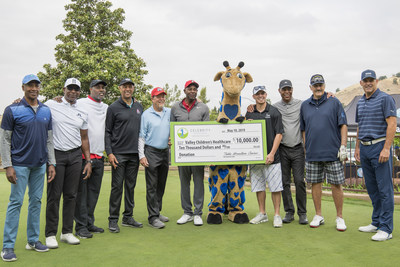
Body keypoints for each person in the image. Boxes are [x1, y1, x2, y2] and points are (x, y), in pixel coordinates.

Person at [0, 74, 56, 262]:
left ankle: (32, 240)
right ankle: (7, 246)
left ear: (40, 88)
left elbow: (49, 140)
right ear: (23, 87)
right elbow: (5, 139)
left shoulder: (46, 110)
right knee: (16, 203)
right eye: (30, 85)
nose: (33, 88)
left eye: (36, 85)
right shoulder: (12, 110)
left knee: (36, 202)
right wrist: (7, 165)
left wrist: (51, 163)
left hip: (39, 165)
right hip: (19, 165)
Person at [44, 78, 92, 248]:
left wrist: (88, 160)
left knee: (71, 195)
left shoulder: (83, 111)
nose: (73, 91)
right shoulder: (51, 104)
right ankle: (50, 234)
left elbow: (84, 137)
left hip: (75, 156)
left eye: (76, 89)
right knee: (54, 195)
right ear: (64, 89)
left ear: (79, 91)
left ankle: (66, 232)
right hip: (56, 155)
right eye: (70, 88)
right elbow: (34, 105)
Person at [300, 74, 348, 231]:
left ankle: (339, 217)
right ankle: (318, 215)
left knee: (336, 185)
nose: (318, 87)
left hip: (333, 152)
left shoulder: (334, 102)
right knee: (315, 184)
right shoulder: (305, 105)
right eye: (315, 85)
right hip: (313, 153)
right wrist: (306, 147)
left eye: (320, 84)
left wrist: (343, 146)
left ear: (324, 85)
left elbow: (343, 125)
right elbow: (304, 129)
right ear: (310, 87)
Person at [355, 69, 396, 241]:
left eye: (371, 80)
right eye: (366, 80)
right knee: (372, 188)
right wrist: (357, 147)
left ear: (377, 81)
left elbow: (392, 123)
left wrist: (386, 148)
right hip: (364, 148)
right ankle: (377, 221)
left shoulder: (385, 99)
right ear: (361, 83)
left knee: (384, 189)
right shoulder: (360, 102)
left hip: (379, 146)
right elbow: (360, 126)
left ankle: (386, 228)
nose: (369, 83)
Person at [105, 78, 143, 233]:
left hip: (134, 154)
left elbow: (143, 131)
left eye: (130, 86)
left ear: (133, 88)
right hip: (119, 154)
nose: (128, 89)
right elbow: (107, 131)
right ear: (120, 88)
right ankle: (113, 220)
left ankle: (128, 217)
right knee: (117, 187)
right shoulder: (113, 107)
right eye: (125, 86)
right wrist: (110, 153)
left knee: (130, 187)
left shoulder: (139, 106)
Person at [171, 80, 210, 226]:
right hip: (182, 154)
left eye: (195, 89)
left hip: (198, 153)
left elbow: (207, 131)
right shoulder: (175, 107)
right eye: (190, 89)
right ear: (185, 90)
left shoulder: (203, 107)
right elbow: (171, 129)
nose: (193, 91)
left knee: (199, 183)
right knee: (184, 184)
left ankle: (197, 213)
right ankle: (187, 212)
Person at [245, 85, 284, 228]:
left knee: (275, 188)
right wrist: (246, 124)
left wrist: (272, 153)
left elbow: (279, 134)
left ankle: (277, 215)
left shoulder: (274, 112)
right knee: (259, 187)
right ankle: (262, 213)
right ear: (254, 96)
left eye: (263, 93)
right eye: (258, 94)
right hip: (256, 158)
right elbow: (244, 131)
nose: (260, 96)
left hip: (272, 158)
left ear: (266, 94)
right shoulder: (249, 112)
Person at [74, 79, 108, 238]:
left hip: (99, 157)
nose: (101, 90)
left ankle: (89, 223)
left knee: (93, 194)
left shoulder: (106, 107)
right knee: (81, 194)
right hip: (83, 158)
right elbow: (62, 104)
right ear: (90, 89)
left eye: (103, 88)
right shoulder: (80, 103)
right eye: (97, 87)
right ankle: (80, 227)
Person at [274, 80, 308, 225]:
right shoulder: (275, 107)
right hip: (282, 149)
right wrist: (251, 107)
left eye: (289, 89)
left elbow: (315, 100)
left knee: (300, 181)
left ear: (292, 90)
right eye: (284, 89)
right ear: (279, 91)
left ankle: (302, 213)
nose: (286, 92)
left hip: (298, 148)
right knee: (284, 181)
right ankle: (289, 212)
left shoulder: (301, 104)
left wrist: (329, 94)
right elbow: (261, 108)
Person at [139, 87, 171, 229]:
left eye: (163, 96)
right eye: (158, 96)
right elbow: (141, 136)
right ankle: (152, 217)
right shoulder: (146, 114)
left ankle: (157, 212)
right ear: (152, 99)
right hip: (151, 151)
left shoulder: (169, 112)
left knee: (161, 184)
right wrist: (142, 155)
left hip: (165, 152)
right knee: (152, 185)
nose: (161, 99)